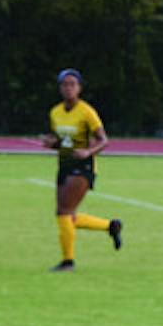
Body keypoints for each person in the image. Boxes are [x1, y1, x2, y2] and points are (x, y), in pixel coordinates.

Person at [41, 69, 122, 272]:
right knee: (67, 216)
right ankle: (109, 226)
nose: (68, 88)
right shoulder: (55, 112)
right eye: (65, 84)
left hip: (83, 166)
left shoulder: (87, 112)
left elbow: (104, 141)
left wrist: (88, 152)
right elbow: (62, 141)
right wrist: (51, 144)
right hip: (64, 164)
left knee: (64, 212)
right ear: (60, 88)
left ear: (79, 88)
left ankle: (68, 262)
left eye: (72, 84)